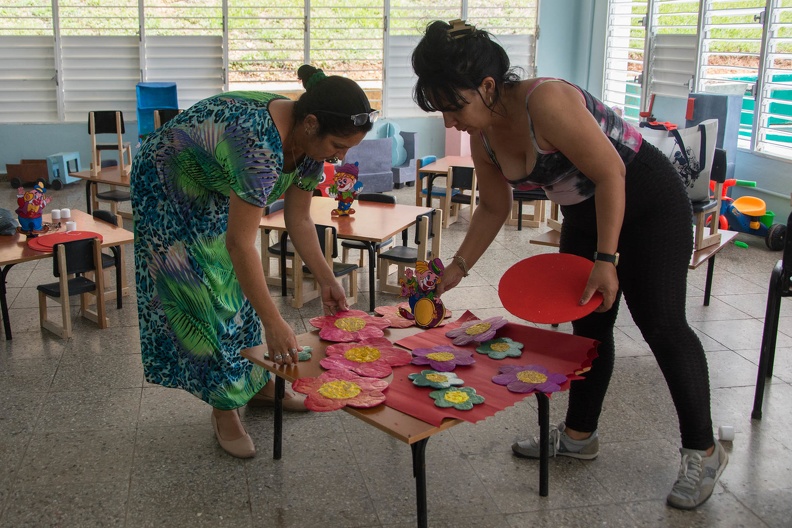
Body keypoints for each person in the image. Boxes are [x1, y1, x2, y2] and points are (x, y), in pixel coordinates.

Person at [411, 20, 728, 510]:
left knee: (661, 324)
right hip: (586, 210)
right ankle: (580, 436)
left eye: (455, 107)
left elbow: (612, 170)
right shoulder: (485, 138)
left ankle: (702, 449)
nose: (451, 122)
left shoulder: (547, 101)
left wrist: (606, 258)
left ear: (488, 86)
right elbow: (494, 207)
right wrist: (457, 268)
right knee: (588, 329)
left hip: (648, 201)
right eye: (442, 111)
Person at [131, 65, 378, 459]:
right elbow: (240, 244)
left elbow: (297, 218)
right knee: (208, 291)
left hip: (211, 177)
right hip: (166, 181)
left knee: (238, 283)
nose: (341, 156)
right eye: (338, 146)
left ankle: (260, 385)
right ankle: (224, 407)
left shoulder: (311, 144)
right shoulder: (258, 146)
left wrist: (327, 277)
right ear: (311, 124)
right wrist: (274, 320)